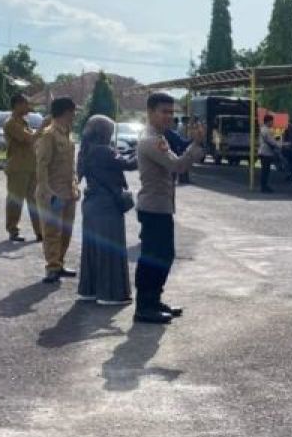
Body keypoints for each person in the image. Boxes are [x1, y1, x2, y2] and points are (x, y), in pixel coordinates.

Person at [135, 93, 205, 324]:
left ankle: (153, 300)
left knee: (162, 255)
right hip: (154, 206)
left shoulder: (159, 137)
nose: (169, 117)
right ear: (150, 112)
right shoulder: (151, 140)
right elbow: (177, 165)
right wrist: (196, 144)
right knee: (154, 256)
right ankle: (145, 306)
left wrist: (195, 144)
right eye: (164, 112)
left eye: (171, 112)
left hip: (160, 206)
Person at [76, 115, 136, 305]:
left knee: (92, 249)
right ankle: (110, 295)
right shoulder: (104, 151)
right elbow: (128, 164)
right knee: (110, 249)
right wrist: (142, 149)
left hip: (91, 204)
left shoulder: (85, 150)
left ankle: (90, 291)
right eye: (110, 131)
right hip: (107, 206)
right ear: (104, 133)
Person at [36, 97, 80, 284]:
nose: (75, 116)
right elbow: (42, 165)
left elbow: (71, 166)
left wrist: (75, 186)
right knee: (52, 232)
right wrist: (47, 191)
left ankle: (60, 263)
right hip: (53, 192)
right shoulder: (49, 135)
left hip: (68, 191)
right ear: (65, 112)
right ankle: (52, 267)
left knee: (66, 231)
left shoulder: (67, 134)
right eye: (73, 112)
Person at [3, 94, 43, 243]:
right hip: (18, 168)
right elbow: (29, 138)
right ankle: (13, 230)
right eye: (26, 104)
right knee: (15, 201)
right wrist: (43, 126)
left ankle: (40, 232)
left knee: (35, 201)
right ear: (17, 105)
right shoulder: (11, 123)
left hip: (31, 167)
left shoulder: (24, 122)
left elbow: (34, 140)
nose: (29, 108)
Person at [258, 114, 284, 193]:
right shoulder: (266, 130)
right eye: (271, 121)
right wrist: (280, 145)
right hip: (266, 153)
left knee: (266, 170)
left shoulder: (264, 129)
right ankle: (264, 187)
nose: (272, 123)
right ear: (268, 121)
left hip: (265, 152)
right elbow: (271, 141)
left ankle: (264, 186)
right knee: (265, 171)